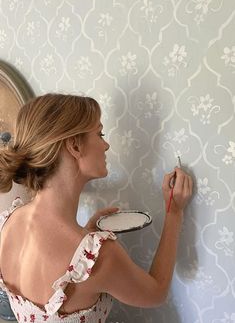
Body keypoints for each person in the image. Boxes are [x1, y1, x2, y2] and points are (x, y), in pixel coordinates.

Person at [0, 94, 193, 323]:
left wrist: (85, 235)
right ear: (74, 145)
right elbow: (156, 292)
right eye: (99, 134)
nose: (106, 144)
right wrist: (174, 211)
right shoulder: (100, 256)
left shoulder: (8, 223)